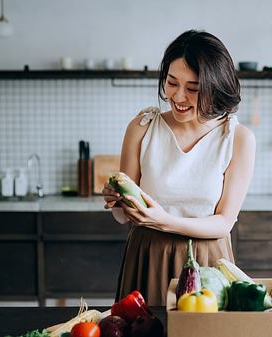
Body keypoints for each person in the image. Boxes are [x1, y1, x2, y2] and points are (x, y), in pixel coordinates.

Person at [102, 29, 256, 306]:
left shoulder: (238, 138)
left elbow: (224, 222)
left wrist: (165, 222)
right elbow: (123, 217)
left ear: (216, 87)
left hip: (208, 263)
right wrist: (116, 201)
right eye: (172, 83)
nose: (179, 96)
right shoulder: (142, 128)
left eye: (194, 88)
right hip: (148, 256)